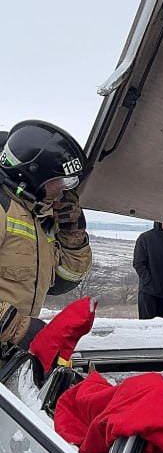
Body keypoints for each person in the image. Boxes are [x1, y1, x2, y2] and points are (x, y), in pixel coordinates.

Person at [0, 120, 92, 349]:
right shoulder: (3, 209)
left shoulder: (37, 218)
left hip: (9, 350)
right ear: (32, 175)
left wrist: (73, 234)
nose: (64, 188)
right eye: (58, 181)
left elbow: (65, 281)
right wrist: (16, 327)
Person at [132, 222, 163, 319]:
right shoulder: (145, 238)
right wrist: (148, 281)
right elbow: (138, 263)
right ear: (159, 221)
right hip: (148, 292)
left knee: (161, 327)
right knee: (146, 326)